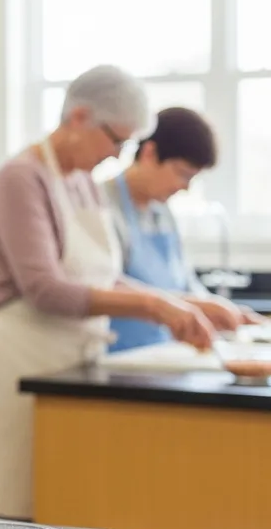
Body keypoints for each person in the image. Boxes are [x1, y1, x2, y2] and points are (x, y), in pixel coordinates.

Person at [0, 65, 231, 521]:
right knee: (18, 522)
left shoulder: (81, 181)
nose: (118, 156)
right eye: (117, 141)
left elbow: (104, 274)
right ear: (79, 118)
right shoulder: (21, 179)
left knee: (66, 507)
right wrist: (155, 305)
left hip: (65, 365)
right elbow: (45, 290)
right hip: (11, 367)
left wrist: (178, 303)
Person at [103, 107, 261, 353]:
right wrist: (198, 305)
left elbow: (185, 282)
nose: (185, 187)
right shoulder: (101, 207)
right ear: (149, 152)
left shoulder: (163, 213)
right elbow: (105, 285)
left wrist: (221, 310)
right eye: (183, 174)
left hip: (164, 353)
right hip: (119, 356)